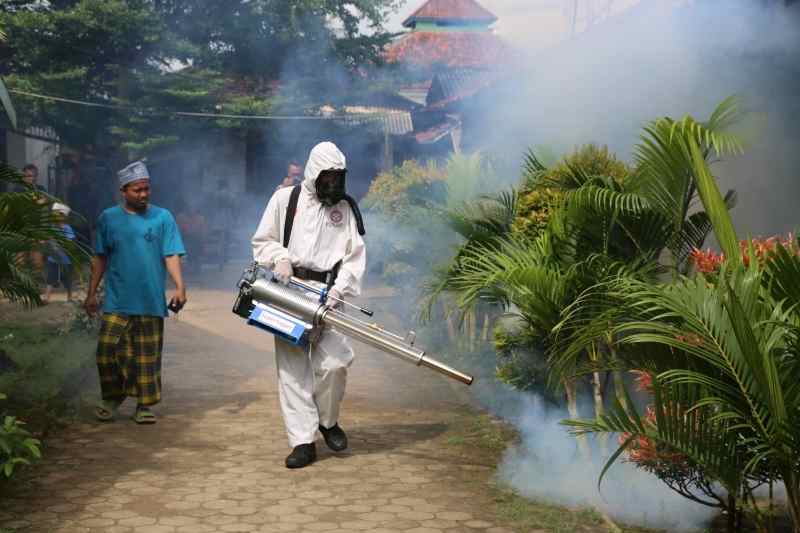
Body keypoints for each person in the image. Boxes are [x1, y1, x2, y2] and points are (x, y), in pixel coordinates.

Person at [252, 142, 366, 469]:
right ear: (315, 173)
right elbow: (262, 240)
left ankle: (327, 421)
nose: (333, 183)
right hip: (288, 292)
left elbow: (355, 255)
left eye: (338, 177)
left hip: (330, 294)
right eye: (327, 177)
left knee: (336, 362)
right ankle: (302, 441)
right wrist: (280, 258)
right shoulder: (284, 200)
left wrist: (340, 289)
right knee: (293, 369)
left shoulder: (344, 209)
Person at [84, 161, 187, 425]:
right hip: (117, 299)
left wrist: (180, 286)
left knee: (146, 357)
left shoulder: (163, 217)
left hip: (150, 299)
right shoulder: (108, 218)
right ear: (123, 191)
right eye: (137, 190)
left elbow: (171, 254)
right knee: (106, 351)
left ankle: (144, 405)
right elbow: (100, 257)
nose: (143, 194)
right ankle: (112, 396)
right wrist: (91, 293)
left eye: (146, 189)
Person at [43, 203, 76, 304]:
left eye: (57, 214)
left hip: (65, 260)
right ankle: (46, 298)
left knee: (67, 280)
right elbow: (46, 239)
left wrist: (60, 243)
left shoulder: (67, 228)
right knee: (50, 278)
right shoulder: (52, 227)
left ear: (63, 216)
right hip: (53, 258)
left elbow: (70, 241)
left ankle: (70, 297)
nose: (55, 216)